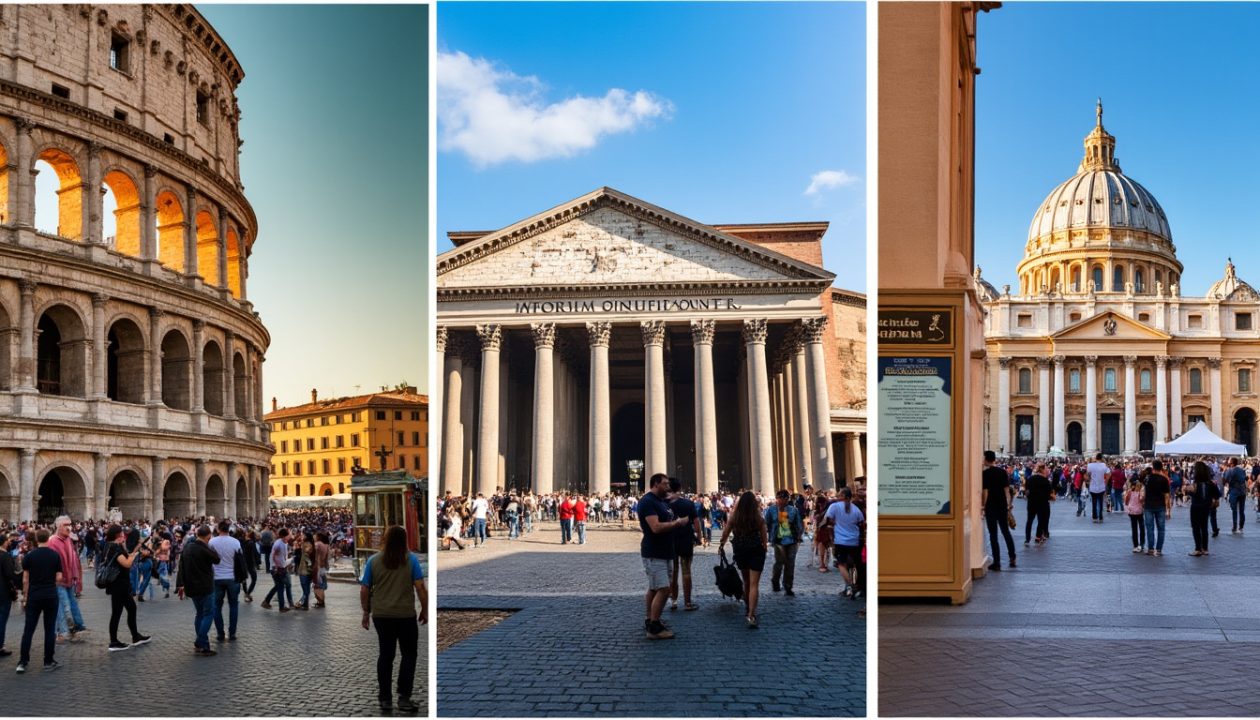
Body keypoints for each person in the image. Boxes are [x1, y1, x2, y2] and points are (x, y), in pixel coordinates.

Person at [360, 525, 427, 714]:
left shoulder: (373, 561)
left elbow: (364, 589)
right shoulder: (411, 560)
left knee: (385, 655)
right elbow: (420, 587)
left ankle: (385, 698)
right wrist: (425, 609)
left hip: (381, 615)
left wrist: (366, 612)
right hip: (405, 614)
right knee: (409, 655)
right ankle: (404, 697)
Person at [638, 473, 689, 639]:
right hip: (655, 552)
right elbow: (656, 527)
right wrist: (677, 523)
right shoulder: (648, 502)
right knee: (664, 589)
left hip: (664, 551)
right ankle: (654, 628)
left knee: (654, 588)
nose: (668, 487)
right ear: (655, 484)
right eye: (665, 484)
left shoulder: (659, 501)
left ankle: (650, 619)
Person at [720, 491, 769, 628]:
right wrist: (764, 546)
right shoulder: (757, 517)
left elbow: (726, 533)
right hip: (756, 551)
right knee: (754, 584)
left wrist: (722, 544)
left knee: (746, 582)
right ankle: (751, 614)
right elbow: (764, 536)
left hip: (740, 550)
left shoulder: (735, 517)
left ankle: (748, 607)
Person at [16, 529, 60, 674]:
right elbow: (59, 578)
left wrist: (25, 596)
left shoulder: (29, 556)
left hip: (34, 595)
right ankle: (48, 661)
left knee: (29, 629)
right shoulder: (55, 555)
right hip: (50, 595)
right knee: (49, 629)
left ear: (36, 539)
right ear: (48, 538)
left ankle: (23, 661)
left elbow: (25, 579)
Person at [101, 525, 151, 652]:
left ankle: (135, 636)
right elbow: (126, 563)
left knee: (131, 608)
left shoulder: (112, 546)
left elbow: (124, 558)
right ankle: (114, 642)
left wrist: (133, 552)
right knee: (117, 612)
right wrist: (133, 557)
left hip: (120, 584)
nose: (124, 535)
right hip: (119, 585)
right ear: (118, 535)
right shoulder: (114, 547)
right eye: (122, 534)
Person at [176, 525, 221, 656]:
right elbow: (217, 559)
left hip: (191, 587)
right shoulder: (204, 548)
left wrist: (180, 584)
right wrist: (209, 547)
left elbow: (181, 567)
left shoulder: (187, 548)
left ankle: (204, 646)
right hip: (205, 587)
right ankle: (200, 641)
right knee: (208, 614)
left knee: (199, 614)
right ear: (208, 537)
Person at [46, 516, 87, 642]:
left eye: (70, 524)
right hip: (58, 580)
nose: (69, 527)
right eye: (66, 525)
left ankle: (76, 628)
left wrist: (77, 577)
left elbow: (74, 559)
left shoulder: (68, 539)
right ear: (59, 526)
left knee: (72, 604)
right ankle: (63, 632)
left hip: (69, 579)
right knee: (64, 606)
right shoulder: (52, 541)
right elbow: (51, 563)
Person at [824, 487, 865, 599]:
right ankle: (857, 586)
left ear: (842, 496)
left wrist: (832, 531)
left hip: (841, 541)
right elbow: (861, 523)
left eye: (839, 495)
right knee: (857, 565)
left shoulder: (834, 506)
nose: (837, 496)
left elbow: (828, 521)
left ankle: (851, 585)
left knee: (842, 564)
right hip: (854, 541)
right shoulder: (855, 508)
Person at [667, 479, 701, 611]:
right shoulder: (688, 503)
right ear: (680, 488)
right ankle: (687, 603)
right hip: (686, 540)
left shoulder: (665, 504)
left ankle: (673, 601)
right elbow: (696, 522)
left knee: (673, 572)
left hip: (670, 540)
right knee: (686, 571)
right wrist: (699, 537)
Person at [764, 488, 803, 596]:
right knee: (779, 562)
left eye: (784, 498)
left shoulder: (793, 510)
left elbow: (798, 525)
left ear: (787, 499)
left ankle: (788, 586)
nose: (781, 500)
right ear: (776, 499)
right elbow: (767, 523)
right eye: (779, 498)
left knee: (790, 564)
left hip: (791, 540)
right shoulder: (771, 510)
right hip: (778, 540)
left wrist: (799, 537)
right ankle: (775, 581)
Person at [208, 520, 242, 642]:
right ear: (229, 529)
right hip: (232, 577)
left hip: (216, 577)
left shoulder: (212, 542)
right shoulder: (236, 542)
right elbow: (240, 560)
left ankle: (220, 634)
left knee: (217, 606)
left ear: (218, 529)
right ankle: (232, 633)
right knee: (233, 605)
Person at [982, 450, 1016, 570]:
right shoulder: (1002, 472)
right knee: (1006, 532)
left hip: (991, 507)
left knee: (993, 535)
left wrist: (983, 506)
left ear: (986, 459)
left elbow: (985, 492)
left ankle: (997, 562)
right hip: (1002, 506)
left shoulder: (985, 474)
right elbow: (1007, 491)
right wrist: (1008, 505)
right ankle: (1012, 557)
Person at [1189, 461, 1221, 557]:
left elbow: (1192, 494)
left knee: (1195, 527)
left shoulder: (1195, 484)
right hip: (1206, 506)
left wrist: (1188, 491)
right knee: (1204, 527)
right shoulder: (1210, 483)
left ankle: (1198, 549)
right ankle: (1205, 548)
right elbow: (1217, 494)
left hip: (1195, 506)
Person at [1143, 459, 1173, 556]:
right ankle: (1159, 550)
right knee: (1161, 528)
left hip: (1148, 506)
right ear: (1161, 468)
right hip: (1160, 506)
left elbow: (1143, 490)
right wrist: (1169, 510)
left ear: (1153, 467)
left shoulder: (1147, 478)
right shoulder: (1164, 479)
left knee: (1150, 528)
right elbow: (1167, 496)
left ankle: (1151, 549)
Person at [262, 528, 293, 612]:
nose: (291, 535)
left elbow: (282, 556)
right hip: (277, 569)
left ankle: (266, 601)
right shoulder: (278, 544)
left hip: (282, 567)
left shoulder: (285, 543)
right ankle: (281, 607)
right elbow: (272, 555)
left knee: (279, 586)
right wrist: (274, 567)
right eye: (289, 534)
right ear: (284, 536)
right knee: (280, 587)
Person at [0, 533, 19, 658]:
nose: (9, 542)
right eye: (7, 540)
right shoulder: (5, 556)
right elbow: (10, 574)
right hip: (3, 592)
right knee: (1, 619)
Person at [1024, 463, 1052, 544]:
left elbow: (1026, 492)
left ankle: (1027, 538)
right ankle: (1038, 537)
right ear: (1042, 470)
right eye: (1045, 469)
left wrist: (1030, 497)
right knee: (1041, 521)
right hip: (1042, 504)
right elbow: (1048, 494)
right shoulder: (1046, 481)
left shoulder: (1030, 479)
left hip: (1031, 503)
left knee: (1029, 521)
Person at [1224, 457, 1248, 534]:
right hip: (1242, 491)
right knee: (1242, 509)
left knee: (1234, 510)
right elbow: (1245, 479)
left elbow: (1225, 480)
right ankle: (1241, 525)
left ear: (1231, 463)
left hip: (1234, 492)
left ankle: (1235, 526)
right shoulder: (1242, 470)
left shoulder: (1229, 471)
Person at [1124, 472, 1146, 553]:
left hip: (1131, 512)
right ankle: (1142, 544)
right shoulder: (1140, 492)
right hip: (1139, 512)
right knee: (1142, 528)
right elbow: (1141, 501)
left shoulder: (1129, 492)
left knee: (1134, 529)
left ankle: (1135, 546)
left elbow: (1126, 502)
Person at [1086, 453, 1109, 523]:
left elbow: (1087, 474)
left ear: (1095, 458)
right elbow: (1109, 474)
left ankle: (1095, 517)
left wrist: (1090, 479)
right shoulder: (1104, 465)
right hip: (1101, 486)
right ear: (1101, 458)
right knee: (1101, 502)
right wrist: (1105, 482)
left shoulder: (1090, 465)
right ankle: (1101, 517)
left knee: (1094, 502)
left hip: (1093, 486)